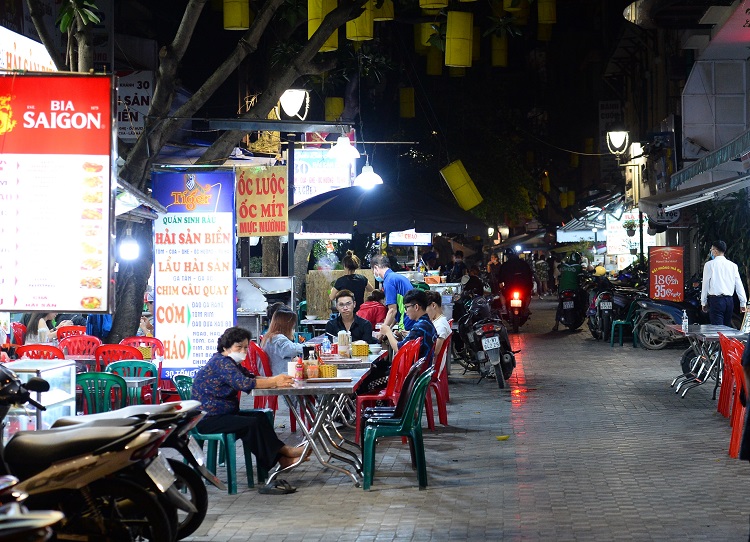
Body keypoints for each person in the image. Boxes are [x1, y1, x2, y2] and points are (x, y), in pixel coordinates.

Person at [192, 326, 304, 477]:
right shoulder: (221, 363)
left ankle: (282, 453)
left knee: (260, 417)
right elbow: (244, 384)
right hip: (208, 419)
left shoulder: (232, 363)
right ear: (226, 347)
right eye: (239, 347)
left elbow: (251, 378)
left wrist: (276, 380)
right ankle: (280, 457)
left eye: (245, 347)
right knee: (251, 424)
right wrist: (274, 381)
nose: (243, 351)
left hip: (223, 415)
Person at [380, 289, 437, 361]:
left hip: (415, 370)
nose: (405, 312)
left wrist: (388, 332)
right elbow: (407, 345)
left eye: (406, 307)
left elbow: (400, 349)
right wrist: (400, 338)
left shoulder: (419, 327)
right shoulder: (427, 323)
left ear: (416, 307)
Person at [700, 240, 747, 326]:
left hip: (716, 301)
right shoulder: (733, 265)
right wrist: (743, 302)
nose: (711, 251)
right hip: (729, 301)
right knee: (726, 328)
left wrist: (703, 302)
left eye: (711, 249)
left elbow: (705, 284)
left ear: (716, 250)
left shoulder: (709, 265)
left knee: (718, 330)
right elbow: (739, 284)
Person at [371, 254, 415, 332]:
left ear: (376, 268)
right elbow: (397, 310)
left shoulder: (388, 281)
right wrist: (389, 328)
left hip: (406, 323)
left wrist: (381, 333)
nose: (374, 274)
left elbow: (392, 310)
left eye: (373, 272)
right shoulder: (397, 277)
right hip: (411, 320)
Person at [261, 307, 304, 378]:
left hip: (275, 374)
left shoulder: (269, 337)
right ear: (286, 325)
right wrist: (309, 346)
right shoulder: (278, 339)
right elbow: (293, 349)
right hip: (280, 376)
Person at [552, 251, 584, 332]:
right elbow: (582, 275)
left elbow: (559, 271)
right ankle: (585, 315)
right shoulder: (578, 267)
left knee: (560, 305)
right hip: (574, 289)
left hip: (562, 289)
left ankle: (556, 325)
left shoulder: (563, 265)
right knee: (580, 301)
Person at [425, 290, 451, 358]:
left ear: (433, 305)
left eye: (424, 308)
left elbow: (435, 352)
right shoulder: (437, 321)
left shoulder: (440, 325)